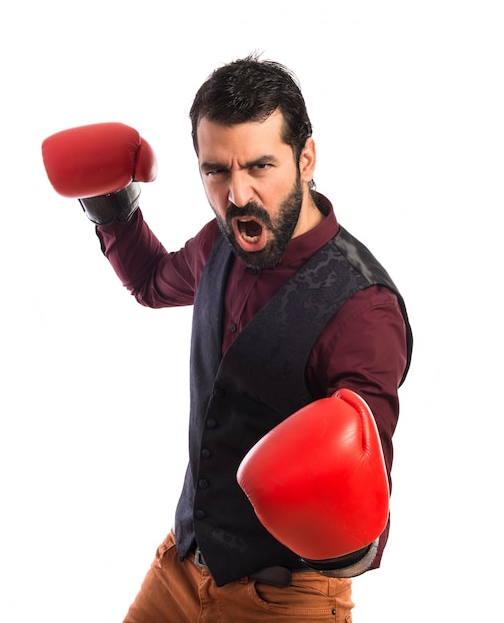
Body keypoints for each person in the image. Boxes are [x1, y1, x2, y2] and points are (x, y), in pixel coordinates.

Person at [42, 54, 412, 622]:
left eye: (260, 166)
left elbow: (368, 492)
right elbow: (151, 282)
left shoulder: (361, 308)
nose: (238, 194)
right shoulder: (220, 245)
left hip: (283, 599)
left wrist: (344, 533)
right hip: (182, 566)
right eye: (216, 171)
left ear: (306, 158)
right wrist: (111, 203)